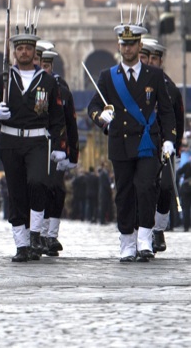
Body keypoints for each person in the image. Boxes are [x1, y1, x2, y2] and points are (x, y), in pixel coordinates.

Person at [86, 17, 178, 262]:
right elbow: (93, 106)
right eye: (123, 44)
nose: (127, 48)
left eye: (132, 44)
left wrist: (169, 139)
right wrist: (102, 118)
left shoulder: (154, 75)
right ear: (119, 46)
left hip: (147, 142)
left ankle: (145, 240)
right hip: (120, 141)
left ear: (139, 46)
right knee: (125, 193)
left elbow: (166, 110)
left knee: (146, 188)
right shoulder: (108, 76)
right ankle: (127, 241)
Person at [0, 23, 65, 262]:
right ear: (14, 52)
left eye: (28, 48)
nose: (24, 52)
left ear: (34, 52)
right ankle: (21, 244)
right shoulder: (3, 79)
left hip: (37, 141)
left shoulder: (47, 81)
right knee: (16, 192)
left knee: (38, 183)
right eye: (20, 48)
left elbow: (57, 116)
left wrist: (59, 147)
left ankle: (35, 233)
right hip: (11, 140)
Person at [141, 39, 184, 254]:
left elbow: (178, 119)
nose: (151, 63)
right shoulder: (137, 84)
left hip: (165, 145)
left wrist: (176, 145)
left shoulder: (170, 88)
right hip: (144, 143)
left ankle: (158, 230)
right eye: (148, 59)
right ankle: (145, 232)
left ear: (160, 61)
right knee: (146, 188)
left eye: (155, 59)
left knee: (166, 186)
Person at [37, 47, 78, 256]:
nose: (43, 70)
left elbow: (71, 122)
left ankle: (51, 235)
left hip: (56, 146)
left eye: (46, 66)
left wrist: (72, 153)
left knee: (56, 189)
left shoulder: (62, 88)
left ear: (52, 66)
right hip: (36, 144)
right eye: (40, 65)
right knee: (38, 189)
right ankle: (38, 234)